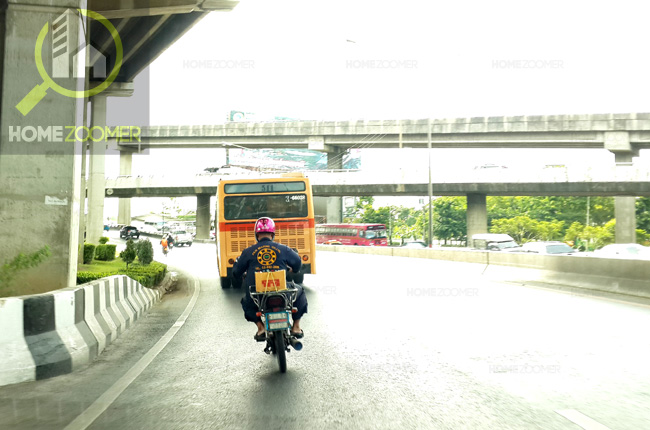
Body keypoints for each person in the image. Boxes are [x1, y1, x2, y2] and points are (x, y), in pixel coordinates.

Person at [233, 217, 307, 342]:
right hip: (281, 290)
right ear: (273, 234)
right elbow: (297, 263)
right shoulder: (283, 249)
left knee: (246, 302)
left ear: (257, 234)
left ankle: (261, 328)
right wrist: (293, 270)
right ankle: (296, 327)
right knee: (300, 292)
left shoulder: (248, 252)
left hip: (257, 294)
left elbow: (236, 272)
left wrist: (241, 274)